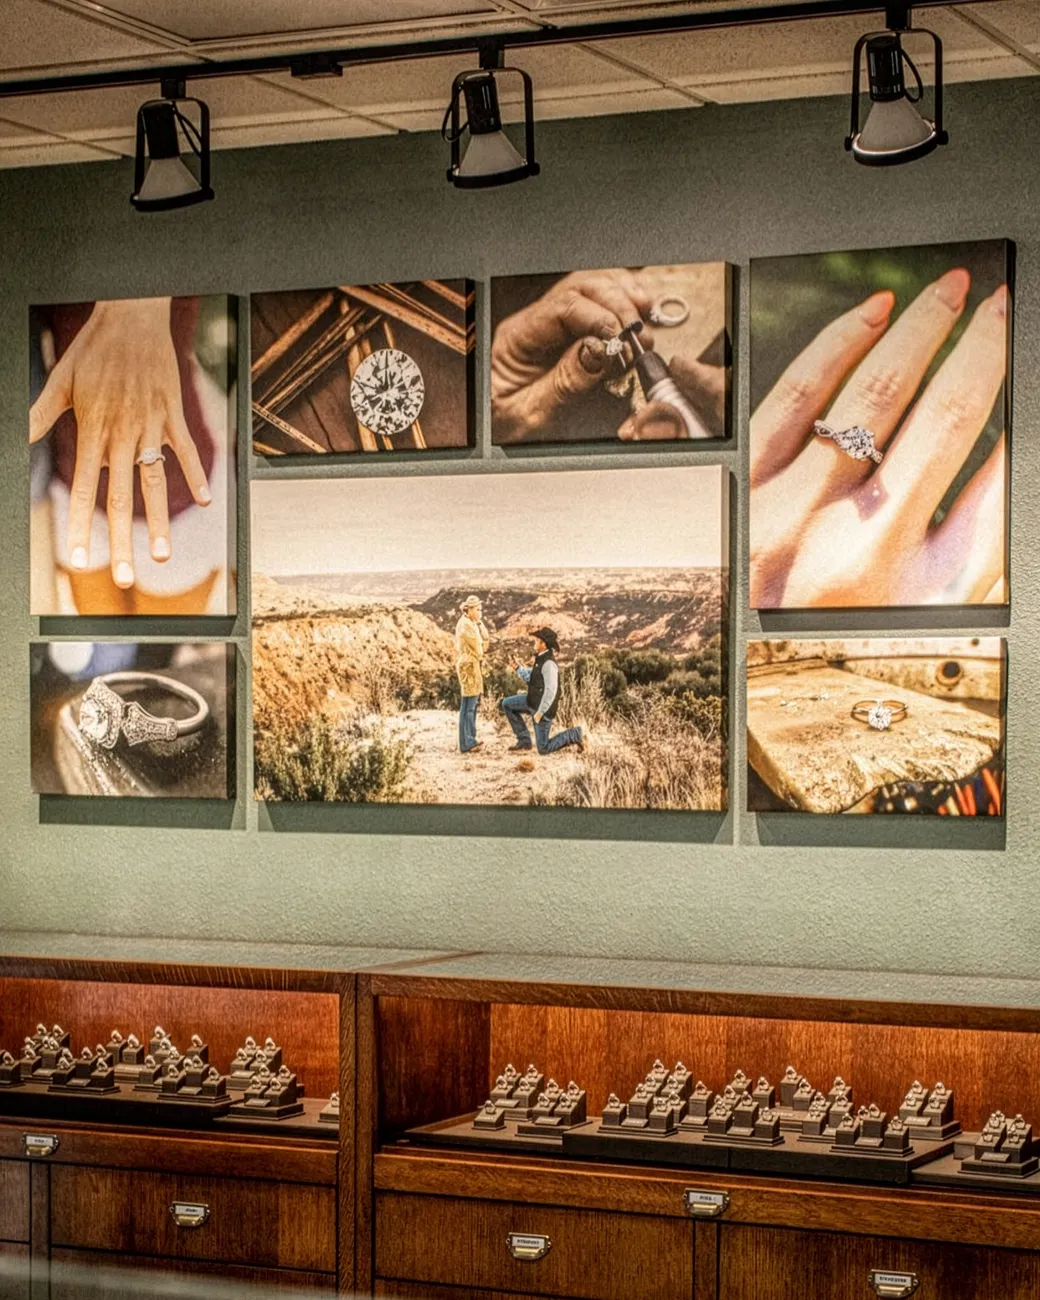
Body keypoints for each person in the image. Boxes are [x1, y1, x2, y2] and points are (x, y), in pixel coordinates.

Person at [501, 628, 584, 755]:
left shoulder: (549, 664)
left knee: (543, 748)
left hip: (542, 709)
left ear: (544, 644)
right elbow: (531, 677)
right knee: (507, 704)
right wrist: (517, 668)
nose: (534, 643)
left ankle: (575, 734)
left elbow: (551, 691)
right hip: (532, 701)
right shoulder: (540, 658)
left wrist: (540, 713)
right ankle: (524, 741)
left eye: (537, 641)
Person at [454, 595, 489, 755]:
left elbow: (484, 643)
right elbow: (480, 648)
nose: (480, 612)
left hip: (470, 664)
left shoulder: (470, 623)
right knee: (469, 705)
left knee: (469, 705)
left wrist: (480, 624)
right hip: (469, 666)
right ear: (469, 610)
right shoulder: (466, 625)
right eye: (478, 609)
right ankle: (467, 742)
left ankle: (469, 739)